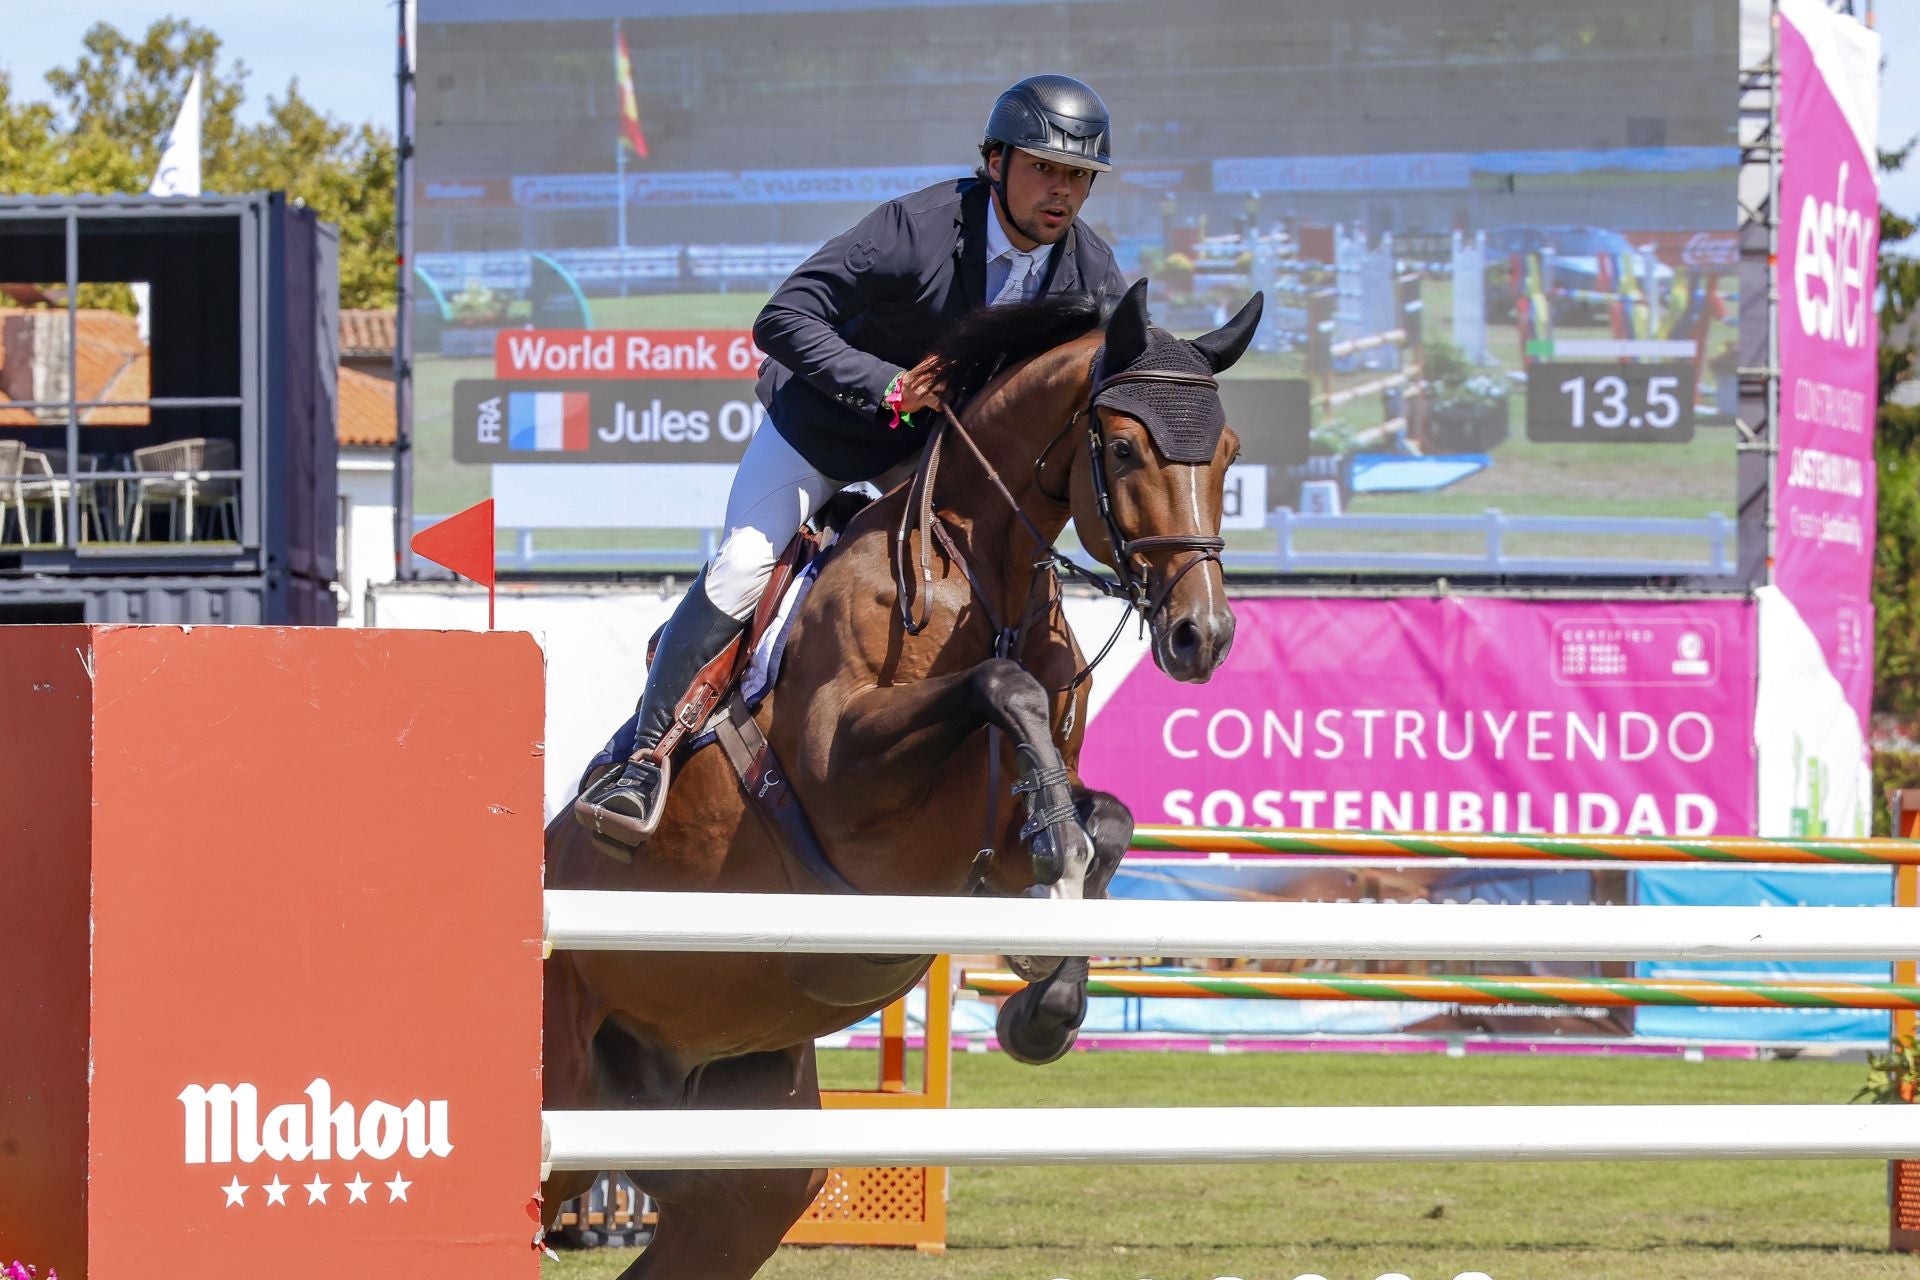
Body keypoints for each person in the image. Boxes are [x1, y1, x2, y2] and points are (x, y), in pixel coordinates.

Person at [576, 73, 1130, 849]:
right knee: (742, 566)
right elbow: (783, 317)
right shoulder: (920, 228)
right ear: (996, 162)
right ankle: (642, 756)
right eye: (1045, 168)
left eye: (1078, 176)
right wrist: (888, 386)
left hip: (935, 466)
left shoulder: (1091, 273)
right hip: (825, 435)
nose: (1062, 192)